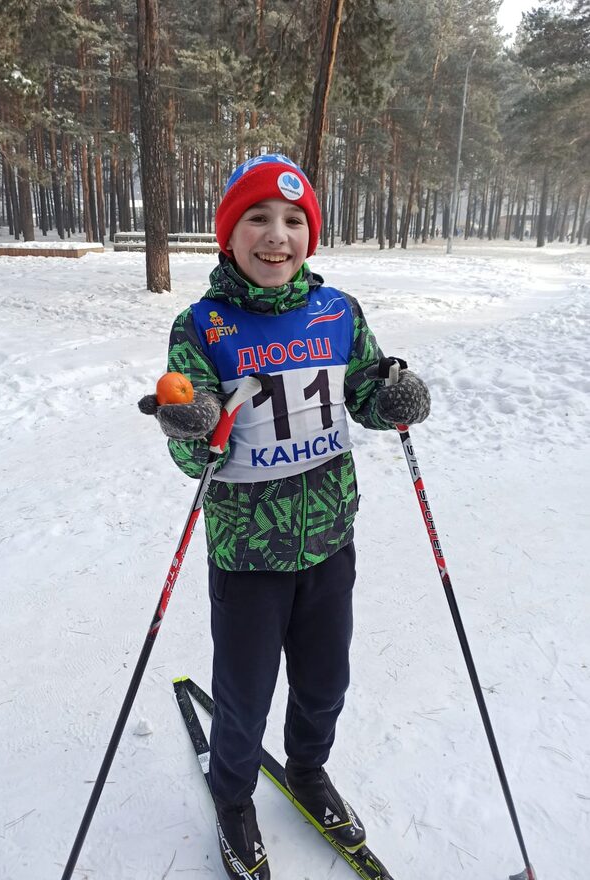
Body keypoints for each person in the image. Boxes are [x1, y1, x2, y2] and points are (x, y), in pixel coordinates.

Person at [140, 154, 430, 880]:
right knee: (243, 697)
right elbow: (193, 449)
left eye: (293, 221)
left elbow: (365, 391)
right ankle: (233, 796)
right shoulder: (202, 325)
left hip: (331, 537)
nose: (277, 236)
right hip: (247, 553)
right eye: (257, 220)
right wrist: (193, 421)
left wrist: (394, 396)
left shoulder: (338, 312)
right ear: (228, 238)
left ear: (310, 235)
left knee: (325, 681)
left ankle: (307, 769)